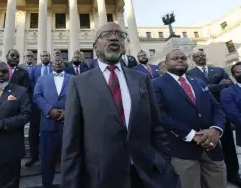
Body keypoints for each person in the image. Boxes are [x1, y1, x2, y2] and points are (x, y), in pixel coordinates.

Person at [61, 22, 180, 188]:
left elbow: (156, 126)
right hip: (101, 177)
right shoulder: (78, 83)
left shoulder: (141, 79)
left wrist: (163, 162)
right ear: (95, 46)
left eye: (120, 35)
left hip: (145, 174)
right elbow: (71, 141)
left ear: (124, 46)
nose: (114, 38)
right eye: (106, 35)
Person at [152, 49, 227, 188]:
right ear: (166, 63)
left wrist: (216, 130)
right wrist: (192, 135)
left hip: (212, 147)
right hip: (182, 151)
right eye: (175, 59)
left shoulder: (199, 82)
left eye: (183, 58)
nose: (180, 60)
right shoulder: (156, 84)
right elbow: (160, 114)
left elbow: (216, 108)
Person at [186, 51, 241, 188]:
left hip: (221, 114)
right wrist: (218, 86)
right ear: (193, 59)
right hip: (202, 115)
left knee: (229, 147)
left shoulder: (219, 70)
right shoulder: (189, 74)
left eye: (202, 55)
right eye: (197, 56)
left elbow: (229, 86)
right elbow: (197, 90)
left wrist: (210, 87)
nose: (201, 57)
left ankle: (234, 175)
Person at [33, 56, 72, 187]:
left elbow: (79, 97)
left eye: (60, 61)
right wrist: (49, 110)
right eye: (55, 62)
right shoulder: (42, 79)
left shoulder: (73, 79)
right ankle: (46, 183)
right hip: (48, 125)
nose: (58, 63)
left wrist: (69, 111)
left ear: (64, 64)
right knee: (47, 158)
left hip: (69, 126)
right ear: (50, 65)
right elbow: (37, 96)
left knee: (70, 158)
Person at [26, 51, 53, 167]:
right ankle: (34, 155)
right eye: (43, 56)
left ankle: (51, 156)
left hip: (52, 104)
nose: (45, 57)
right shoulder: (34, 69)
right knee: (34, 131)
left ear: (50, 57)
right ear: (40, 58)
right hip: (36, 104)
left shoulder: (55, 68)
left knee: (51, 130)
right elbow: (30, 85)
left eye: (47, 55)